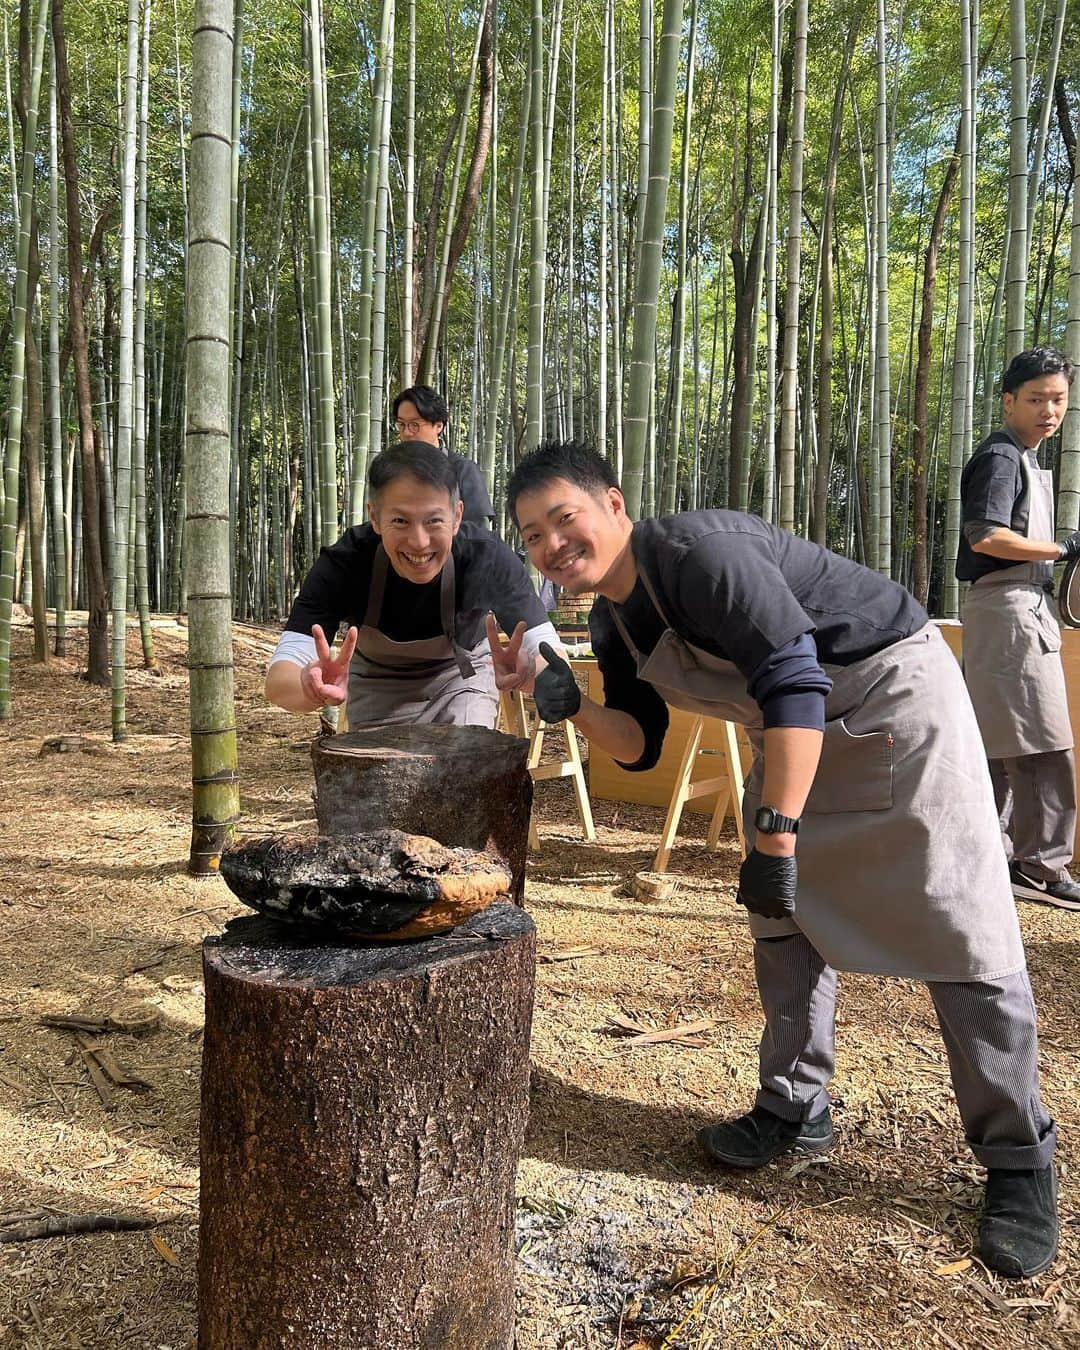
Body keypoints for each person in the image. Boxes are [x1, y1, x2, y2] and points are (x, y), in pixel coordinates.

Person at [496, 439, 1059, 1280]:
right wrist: (573, 705)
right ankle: (795, 1106)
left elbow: (795, 674)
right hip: (793, 730)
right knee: (782, 921)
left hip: (895, 699)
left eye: (562, 519)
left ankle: (1020, 1164)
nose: (551, 546)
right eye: (532, 536)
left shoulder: (697, 555)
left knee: (960, 927)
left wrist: (775, 833)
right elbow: (643, 745)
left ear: (614, 505)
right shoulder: (616, 618)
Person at [265, 441, 556, 729]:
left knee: (465, 765)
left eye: (434, 521)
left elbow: (551, 656)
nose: (419, 542)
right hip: (377, 690)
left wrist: (530, 674)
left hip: (462, 681)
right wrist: (309, 688)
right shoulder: (346, 563)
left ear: (456, 516)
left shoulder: (487, 557)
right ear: (375, 517)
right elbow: (279, 681)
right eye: (401, 521)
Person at [957, 347, 1080, 911]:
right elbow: (985, 536)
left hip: (1015, 609)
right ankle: (1041, 866)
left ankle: (992, 853)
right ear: (1009, 401)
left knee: (1001, 744)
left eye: (1058, 399)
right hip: (1009, 608)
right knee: (1044, 745)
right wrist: (1063, 547)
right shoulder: (1003, 457)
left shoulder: (1022, 457)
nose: (1049, 410)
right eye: (1036, 399)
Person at [392, 385, 495, 527]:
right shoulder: (392, 471)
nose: (407, 432)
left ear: (439, 425)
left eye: (414, 425)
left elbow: (478, 532)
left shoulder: (463, 470)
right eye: (402, 425)